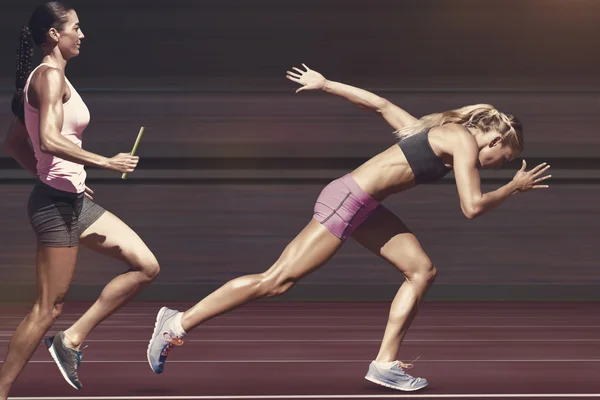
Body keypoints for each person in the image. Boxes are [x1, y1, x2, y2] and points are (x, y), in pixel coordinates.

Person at [146, 64, 550, 391]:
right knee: (276, 281)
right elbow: (472, 207)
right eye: (505, 157)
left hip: (364, 205)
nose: (499, 165)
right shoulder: (462, 140)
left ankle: (385, 364)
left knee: (421, 270)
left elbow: (380, 105)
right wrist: (513, 189)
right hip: (348, 200)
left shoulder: (438, 134)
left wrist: (326, 84)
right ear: (494, 139)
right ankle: (177, 324)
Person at [0, 2, 160, 397]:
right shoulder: (49, 77)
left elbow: (15, 142)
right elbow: (49, 139)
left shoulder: (48, 79)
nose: (82, 34)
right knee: (46, 309)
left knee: (146, 266)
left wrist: (56, 172)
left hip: (74, 200)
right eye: (76, 27)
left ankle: (69, 341)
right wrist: (104, 161)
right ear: (55, 34)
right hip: (54, 206)